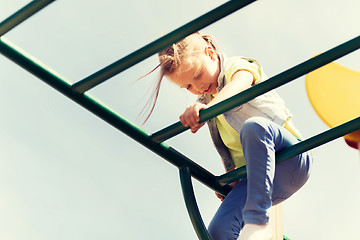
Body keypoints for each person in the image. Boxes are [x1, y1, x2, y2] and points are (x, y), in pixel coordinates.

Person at [143, 32, 312, 240]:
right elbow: (230, 150)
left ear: (210, 52)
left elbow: (240, 84)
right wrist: (231, 184)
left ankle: (257, 221)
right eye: (188, 86)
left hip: (291, 158)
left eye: (197, 75)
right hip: (258, 179)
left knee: (254, 127)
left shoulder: (235, 67)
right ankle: (252, 225)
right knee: (218, 231)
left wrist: (207, 109)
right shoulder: (208, 104)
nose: (198, 88)